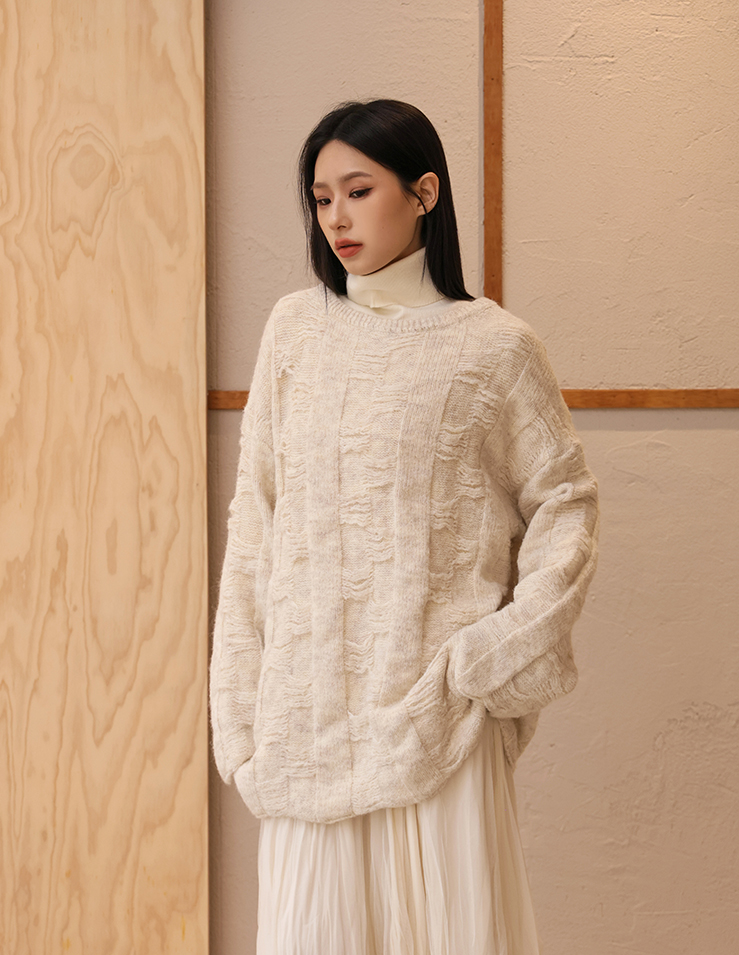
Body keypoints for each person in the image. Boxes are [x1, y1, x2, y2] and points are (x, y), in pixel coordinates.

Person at [210, 99, 599, 955]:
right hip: (306, 724)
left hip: (435, 722)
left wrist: (488, 657)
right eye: (321, 198)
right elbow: (257, 522)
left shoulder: (495, 348)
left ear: (424, 192)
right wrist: (237, 711)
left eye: (358, 191)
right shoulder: (294, 332)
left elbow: (565, 503)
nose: (336, 218)